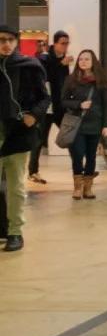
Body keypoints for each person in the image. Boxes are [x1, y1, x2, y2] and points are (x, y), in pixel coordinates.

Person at [0, 25, 50, 252]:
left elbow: (44, 98)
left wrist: (33, 116)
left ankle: (15, 232)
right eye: (1, 40)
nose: (6, 44)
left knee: (17, 186)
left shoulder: (30, 66)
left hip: (19, 133)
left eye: (10, 40)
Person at [62, 50, 107, 201]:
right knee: (77, 155)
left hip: (95, 123)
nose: (83, 62)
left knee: (91, 157)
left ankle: (88, 188)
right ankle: (77, 187)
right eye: (81, 59)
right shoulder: (71, 79)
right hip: (77, 123)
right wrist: (79, 104)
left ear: (93, 61)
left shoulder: (101, 81)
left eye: (87, 59)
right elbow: (63, 101)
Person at [30, 30, 71, 185]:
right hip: (46, 107)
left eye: (67, 43)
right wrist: (61, 65)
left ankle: (80, 170)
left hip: (60, 107)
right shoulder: (44, 58)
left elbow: (63, 82)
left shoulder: (63, 60)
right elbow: (44, 78)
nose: (65, 46)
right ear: (55, 43)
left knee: (71, 136)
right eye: (63, 43)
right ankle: (33, 171)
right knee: (39, 140)